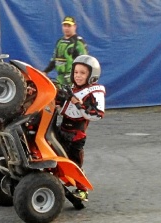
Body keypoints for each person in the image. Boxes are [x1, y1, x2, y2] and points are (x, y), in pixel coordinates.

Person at [55, 55, 105, 201]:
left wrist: (78, 104)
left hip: (76, 135)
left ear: (91, 75)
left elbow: (97, 114)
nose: (78, 76)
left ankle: (82, 190)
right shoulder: (71, 89)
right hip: (62, 129)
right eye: (76, 72)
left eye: (82, 73)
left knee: (74, 163)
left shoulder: (95, 91)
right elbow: (58, 103)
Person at [43, 16, 88, 86]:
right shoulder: (60, 41)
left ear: (75, 26)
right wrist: (45, 71)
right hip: (60, 79)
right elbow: (54, 59)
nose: (66, 28)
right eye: (64, 25)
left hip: (73, 80)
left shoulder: (79, 42)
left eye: (69, 26)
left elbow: (84, 63)